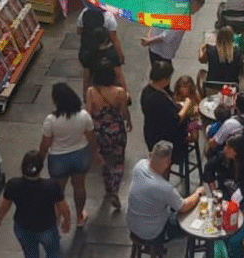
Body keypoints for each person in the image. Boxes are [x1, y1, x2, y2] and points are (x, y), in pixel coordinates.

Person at [0, 150, 70, 258]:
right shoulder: (51, 186)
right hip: (47, 228)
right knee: (53, 253)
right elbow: (63, 207)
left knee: (31, 257)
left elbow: (5, 205)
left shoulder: (13, 184)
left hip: (23, 228)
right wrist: (67, 221)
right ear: (41, 168)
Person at [39, 83, 96, 227]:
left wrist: (39, 159)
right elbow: (91, 138)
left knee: (57, 192)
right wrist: (95, 154)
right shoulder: (84, 116)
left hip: (58, 159)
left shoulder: (51, 120)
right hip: (80, 155)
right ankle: (79, 216)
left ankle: (58, 219)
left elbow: (45, 144)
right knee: (79, 187)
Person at [126, 140, 204, 243]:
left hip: (133, 224)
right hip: (152, 233)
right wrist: (198, 193)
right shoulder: (163, 187)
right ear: (168, 162)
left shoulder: (139, 166)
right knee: (188, 219)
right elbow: (183, 207)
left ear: (151, 155)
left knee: (170, 204)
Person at [85, 61, 131, 214]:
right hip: (116, 129)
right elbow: (124, 112)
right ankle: (115, 189)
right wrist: (129, 121)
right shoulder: (119, 92)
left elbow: (89, 112)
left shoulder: (91, 91)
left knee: (103, 158)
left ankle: (108, 187)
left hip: (100, 131)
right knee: (119, 160)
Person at [140, 59, 192, 164]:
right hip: (165, 139)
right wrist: (187, 104)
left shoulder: (147, 91)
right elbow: (176, 119)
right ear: (165, 78)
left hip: (151, 133)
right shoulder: (159, 99)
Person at [140, 0, 205, 67]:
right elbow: (166, 36)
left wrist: (149, 36)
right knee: (162, 75)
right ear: (193, 4)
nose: (198, 10)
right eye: (198, 7)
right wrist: (149, 41)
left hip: (154, 49)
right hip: (162, 53)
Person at [78, 4, 124, 93]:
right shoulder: (109, 17)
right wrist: (120, 55)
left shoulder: (84, 13)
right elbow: (114, 39)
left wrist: (85, 95)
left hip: (86, 48)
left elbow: (79, 31)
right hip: (105, 55)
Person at [83, 25, 129, 94]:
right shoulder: (112, 54)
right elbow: (119, 75)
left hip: (96, 88)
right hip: (112, 87)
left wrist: (85, 93)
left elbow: (86, 77)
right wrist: (125, 92)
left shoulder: (89, 55)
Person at [173, 75, 202, 143]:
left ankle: (184, 141)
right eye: (181, 87)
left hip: (192, 119)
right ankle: (180, 142)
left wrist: (196, 107)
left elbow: (200, 104)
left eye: (185, 87)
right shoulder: (176, 97)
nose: (182, 89)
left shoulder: (194, 95)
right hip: (181, 120)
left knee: (194, 137)